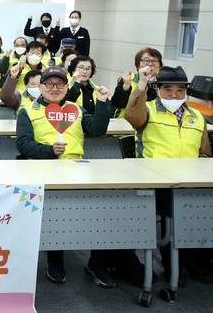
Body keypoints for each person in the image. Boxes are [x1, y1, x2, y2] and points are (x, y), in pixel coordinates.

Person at [16, 65, 111, 285]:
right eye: (49, 83)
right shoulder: (27, 111)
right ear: (41, 87)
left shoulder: (76, 109)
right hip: (43, 169)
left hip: (77, 168)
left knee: (101, 211)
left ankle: (97, 262)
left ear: (67, 87)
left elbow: (97, 129)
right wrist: (49, 151)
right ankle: (55, 259)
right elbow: (23, 144)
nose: (54, 88)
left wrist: (103, 104)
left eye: (60, 84)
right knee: (54, 215)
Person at [124, 65, 212, 284]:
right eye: (168, 89)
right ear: (158, 90)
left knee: (204, 207)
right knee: (173, 209)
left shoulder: (197, 117)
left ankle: (197, 261)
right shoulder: (148, 110)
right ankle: (174, 265)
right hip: (157, 180)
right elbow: (131, 116)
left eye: (180, 90)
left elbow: (204, 153)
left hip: (190, 181)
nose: (174, 95)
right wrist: (141, 85)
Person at [111, 47, 163, 118]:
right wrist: (126, 87)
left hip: (156, 122)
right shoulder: (129, 78)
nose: (150, 64)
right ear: (138, 65)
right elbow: (118, 104)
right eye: (146, 60)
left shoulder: (164, 82)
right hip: (128, 121)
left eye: (154, 61)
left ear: (160, 65)